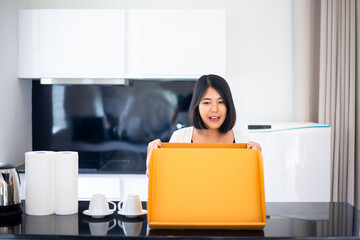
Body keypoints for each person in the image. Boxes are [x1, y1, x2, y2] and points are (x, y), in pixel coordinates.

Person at [146, 74, 261, 176]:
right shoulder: (179, 138)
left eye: (221, 102)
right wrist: (152, 164)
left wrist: (256, 163)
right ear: (197, 106)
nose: (215, 109)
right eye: (207, 102)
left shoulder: (242, 140)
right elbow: (167, 182)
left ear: (228, 106)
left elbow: (247, 186)